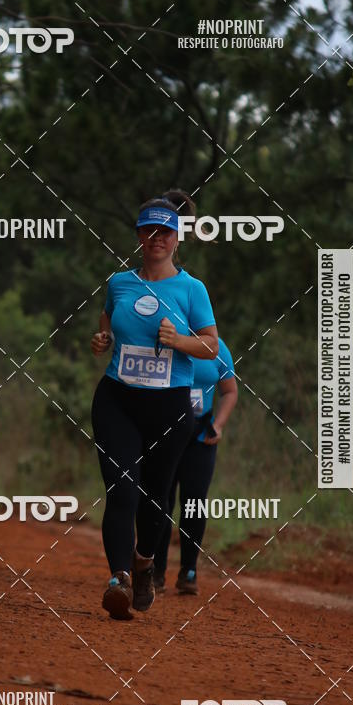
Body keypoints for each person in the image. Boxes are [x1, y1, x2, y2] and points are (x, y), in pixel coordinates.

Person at [91, 193, 219, 621]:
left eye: (166, 231)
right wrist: (103, 340)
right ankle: (119, 579)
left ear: (177, 238)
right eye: (150, 230)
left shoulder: (191, 289)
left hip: (170, 408)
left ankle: (145, 564)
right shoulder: (119, 283)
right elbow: (108, 321)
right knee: (121, 490)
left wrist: (178, 341)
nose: (157, 238)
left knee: (155, 498)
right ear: (139, 235)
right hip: (118, 400)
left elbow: (211, 346)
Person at [154, 338, 238, 595]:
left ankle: (188, 571)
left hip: (200, 436)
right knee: (160, 501)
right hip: (164, 433)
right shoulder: (164, 340)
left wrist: (219, 424)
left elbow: (230, 391)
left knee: (194, 502)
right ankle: (154, 571)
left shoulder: (217, 348)